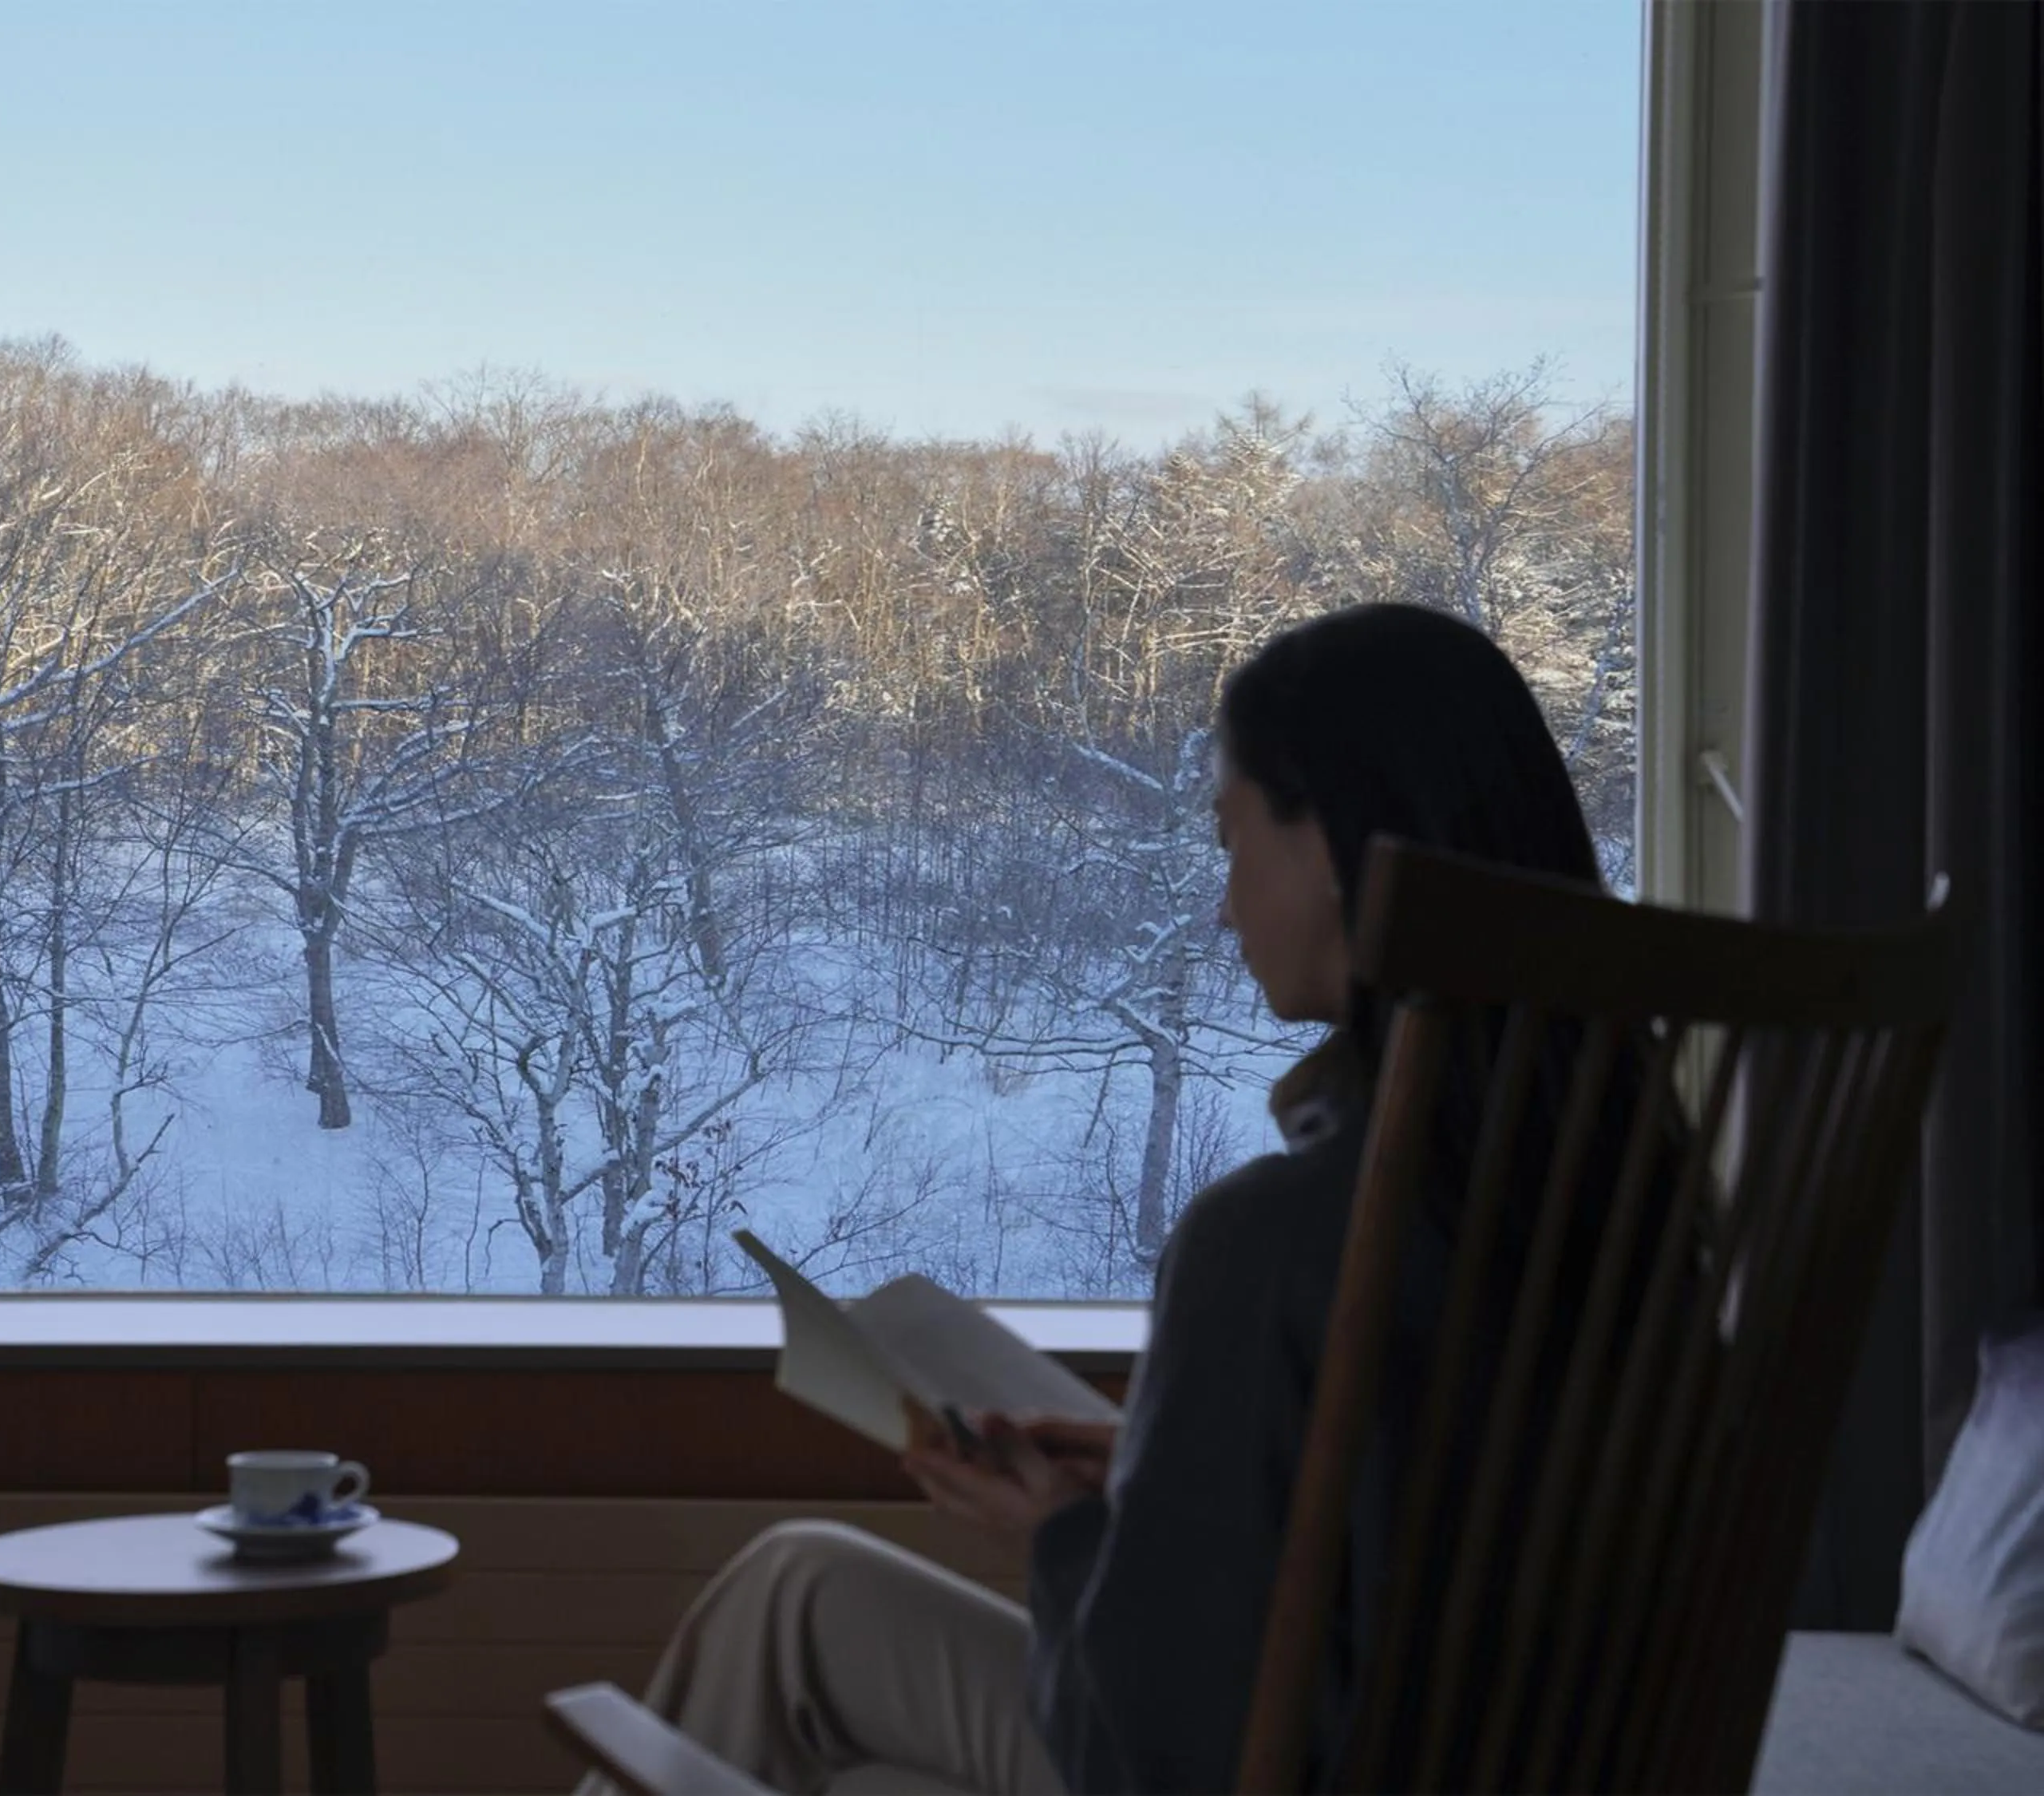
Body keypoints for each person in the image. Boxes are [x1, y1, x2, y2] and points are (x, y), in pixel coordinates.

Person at [579, 603, 1621, 1796]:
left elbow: (1152, 1756)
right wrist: (1167, 1475)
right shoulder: (1616, 1196)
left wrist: (1065, 1536)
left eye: (1234, 842)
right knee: (808, 1607)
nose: (1225, 904)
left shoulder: (1278, 1241)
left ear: (1332, 850)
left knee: (793, 1659)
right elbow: (1445, 1531)